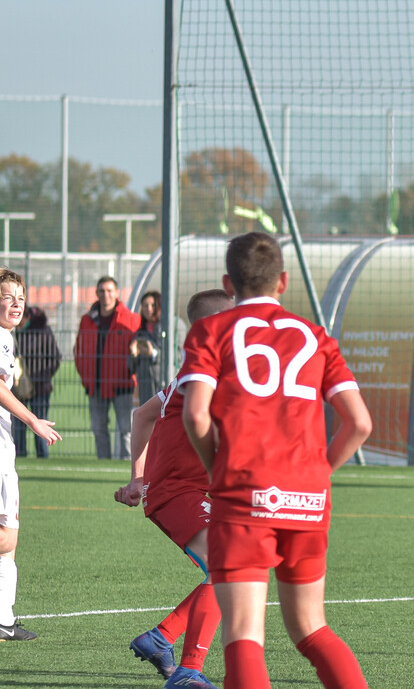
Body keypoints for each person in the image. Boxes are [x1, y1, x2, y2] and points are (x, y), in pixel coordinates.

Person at [180, 232, 372, 689]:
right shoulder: (315, 336)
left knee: (244, 632)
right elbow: (360, 423)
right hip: (307, 498)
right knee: (312, 628)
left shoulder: (211, 330)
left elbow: (195, 413)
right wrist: (319, 473)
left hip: (244, 493)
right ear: (283, 281)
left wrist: (214, 468)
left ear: (229, 284)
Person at [115, 289, 235, 689]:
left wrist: (137, 477)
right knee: (227, 568)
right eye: (230, 318)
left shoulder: (195, 372)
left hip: (186, 492)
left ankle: (161, 638)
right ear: (207, 326)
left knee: (235, 568)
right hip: (178, 492)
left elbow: (142, 414)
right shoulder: (204, 373)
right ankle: (188, 672)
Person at [0, 268, 62, 642]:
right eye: (8, 296)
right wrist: (32, 419)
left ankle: (3, 618)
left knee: (9, 538)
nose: (17, 303)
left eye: (21, 297)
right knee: (8, 535)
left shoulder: (7, 338)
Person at [75, 276, 141, 459]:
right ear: (96, 294)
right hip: (95, 385)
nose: (106, 295)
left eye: (110, 291)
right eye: (102, 291)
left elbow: (136, 351)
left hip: (122, 385)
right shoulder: (87, 320)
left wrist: (129, 372)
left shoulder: (131, 319)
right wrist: (85, 376)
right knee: (98, 429)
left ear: (117, 293)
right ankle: (103, 462)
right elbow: (78, 350)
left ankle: (129, 465)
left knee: (126, 430)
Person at [11, 306, 61, 459]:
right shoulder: (11, 331)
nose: (19, 325)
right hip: (18, 388)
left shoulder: (42, 330)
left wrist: (43, 377)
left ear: (27, 317)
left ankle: (42, 457)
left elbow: (55, 357)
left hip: (40, 386)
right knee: (18, 426)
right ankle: (20, 456)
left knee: (40, 425)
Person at [129, 290, 163, 406]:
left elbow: (177, 356)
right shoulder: (140, 333)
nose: (148, 309)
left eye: (152, 305)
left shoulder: (172, 326)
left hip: (165, 383)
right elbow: (131, 366)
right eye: (145, 305)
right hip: (146, 388)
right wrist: (133, 354)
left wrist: (153, 353)